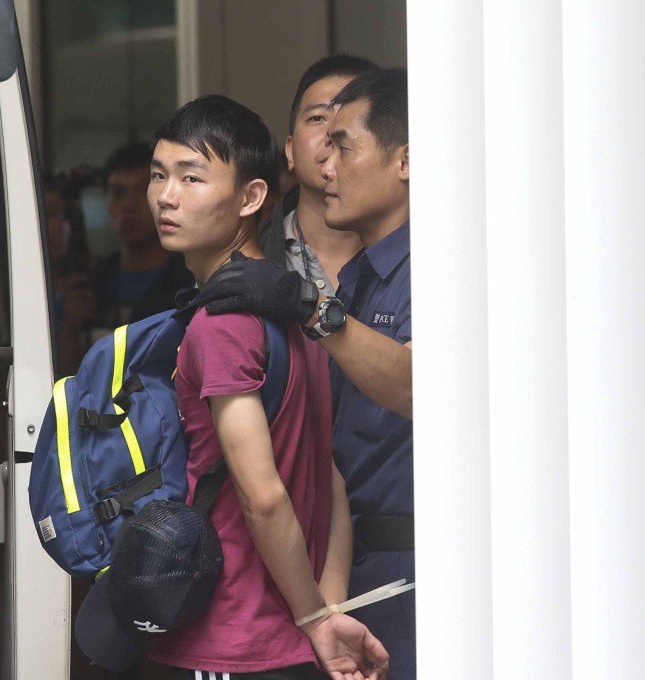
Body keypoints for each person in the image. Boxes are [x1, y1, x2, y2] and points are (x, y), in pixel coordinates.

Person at [147, 94, 388, 680]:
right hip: (288, 641)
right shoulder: (291, 306)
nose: (166, 197)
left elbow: (263, 495)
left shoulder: (222, 322)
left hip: (230, 637)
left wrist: (313, 618)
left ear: (251, 197)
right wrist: (324, 613)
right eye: (159, 175)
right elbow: (329, 481)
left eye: (192, 177)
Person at [198, 68, 414, 679]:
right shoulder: (365, 275)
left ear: (406, 160)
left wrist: (314, 309)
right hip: (348, 574)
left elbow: (418, 388)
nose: (328, 165)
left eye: (344, 145)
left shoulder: (439, 262)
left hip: (412, 571)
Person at [262, 55, 377, 295]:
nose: (333, 132)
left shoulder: (422, 256)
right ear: (290, 152)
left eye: (352, 117)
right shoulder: (248, 262)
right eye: (317, 118)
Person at [89, 142, 194, 341]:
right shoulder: (94, 282)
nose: (129, 205)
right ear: (105, 199)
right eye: (118, 193)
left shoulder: (189, 281)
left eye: (142, 191)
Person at [43, 174, 96, 376]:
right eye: (48, 216)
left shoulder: (87, 280)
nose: (59, 226)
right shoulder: (15, 287)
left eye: (64, 217)